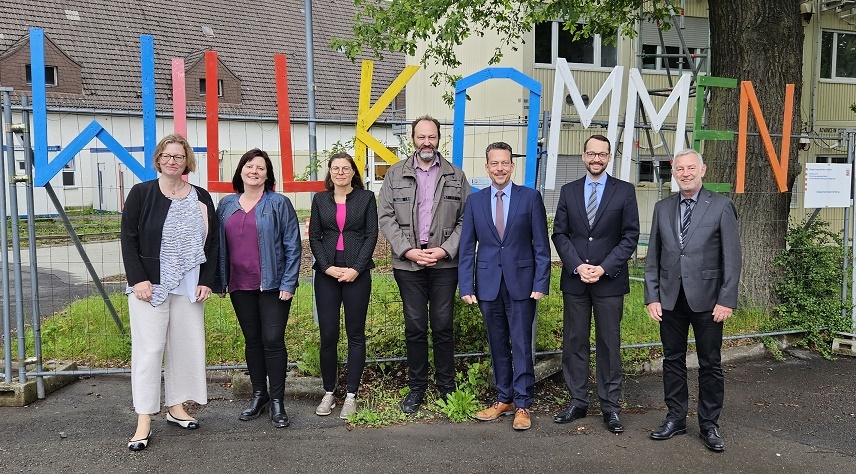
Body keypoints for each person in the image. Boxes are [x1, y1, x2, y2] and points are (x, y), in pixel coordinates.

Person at [121, 133, 219, 451]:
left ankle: (176, 408)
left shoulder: (202, 196)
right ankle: (144, 420)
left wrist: (207, 280)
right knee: (149, 352)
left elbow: (214, 242)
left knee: (184, 349)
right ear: (158, 159)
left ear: (186, 160)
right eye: (167, 155)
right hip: (150, 286)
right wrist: (138, 279)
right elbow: (128, 238)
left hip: (190, 287)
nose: (172, 161)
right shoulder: (141, 193)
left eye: (178, 156)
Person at [644, 148, 742, 452]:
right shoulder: (662, 208)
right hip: (670, 299)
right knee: (672, 361)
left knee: (710, 363)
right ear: (673, 173)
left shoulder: (722, 206)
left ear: (702, 170)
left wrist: (726, 299)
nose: (684, 173)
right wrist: (652, 296)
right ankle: (675, 417)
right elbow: (653, 257)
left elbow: (733, 257)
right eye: (679, 169)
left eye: (690, 168)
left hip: (709, 300)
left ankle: (709, 424)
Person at [378, 115, 471, 413]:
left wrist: (444, 250)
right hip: (409, 265)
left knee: (443, 326)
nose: (426, 142)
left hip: (445, 265)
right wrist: (408, 251)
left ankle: (446, 386)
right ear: (413, 139)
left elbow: (466, 219)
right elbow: (386, 217)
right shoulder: (395, 174)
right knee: (415, 326)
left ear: (439, 139)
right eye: (421, 137)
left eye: (431, 136)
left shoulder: (456, 175)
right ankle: (416, 387)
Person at [458, 142, 551, 431]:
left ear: (512, 166)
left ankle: (523, 403)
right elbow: (466, 247)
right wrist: (466, 285)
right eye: (494, 163)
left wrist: (541, 282)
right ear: (486, 167)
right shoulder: (475, 202)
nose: (499, 168)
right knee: (497, 344)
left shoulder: (530, 198)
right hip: (487, 285)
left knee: (522, 344)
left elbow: (541, 245)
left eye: (505, 163)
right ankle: (504, 398)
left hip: (522, 285)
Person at [552, 134, 640, 433]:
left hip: (609, 282)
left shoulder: (625, 192)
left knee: (608, 345)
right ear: (583, 156)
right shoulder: (569, 191)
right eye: (591, 153)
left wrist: (603, 268)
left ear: (609, 157)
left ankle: (610, 407)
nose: (596, 159)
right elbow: (560, 234)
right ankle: (577, 402)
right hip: (575, 282)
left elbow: (630, 237)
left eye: (602, 154)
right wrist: (577, 266)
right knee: (574, 343)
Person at [216, 148, 301, 429]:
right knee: (252, 341)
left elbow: (292, 245)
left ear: (268, 174)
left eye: (260, 168)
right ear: (241, 170)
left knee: (273, 340)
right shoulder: (226, 205)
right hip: (240, 284)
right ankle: (259, 395)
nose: (254, 171)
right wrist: (219, 280)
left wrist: (288, 282)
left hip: (274, 286)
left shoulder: (279, 203)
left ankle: (277, 401)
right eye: (249, 166)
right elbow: (217, 246)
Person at [309, 152, 378, 420]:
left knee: (355, 335)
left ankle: (351, 395)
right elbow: (315, 236)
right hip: (327, 273)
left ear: (353, 172)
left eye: (345, 168)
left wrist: (356, 269)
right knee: (328, 335)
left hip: (356, 273)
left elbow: (372, 234)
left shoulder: (366, 198)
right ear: (330, 172)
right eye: (335, 168)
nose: (340, 172)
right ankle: (329, 392)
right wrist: (326, 266)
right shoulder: (319, 199)